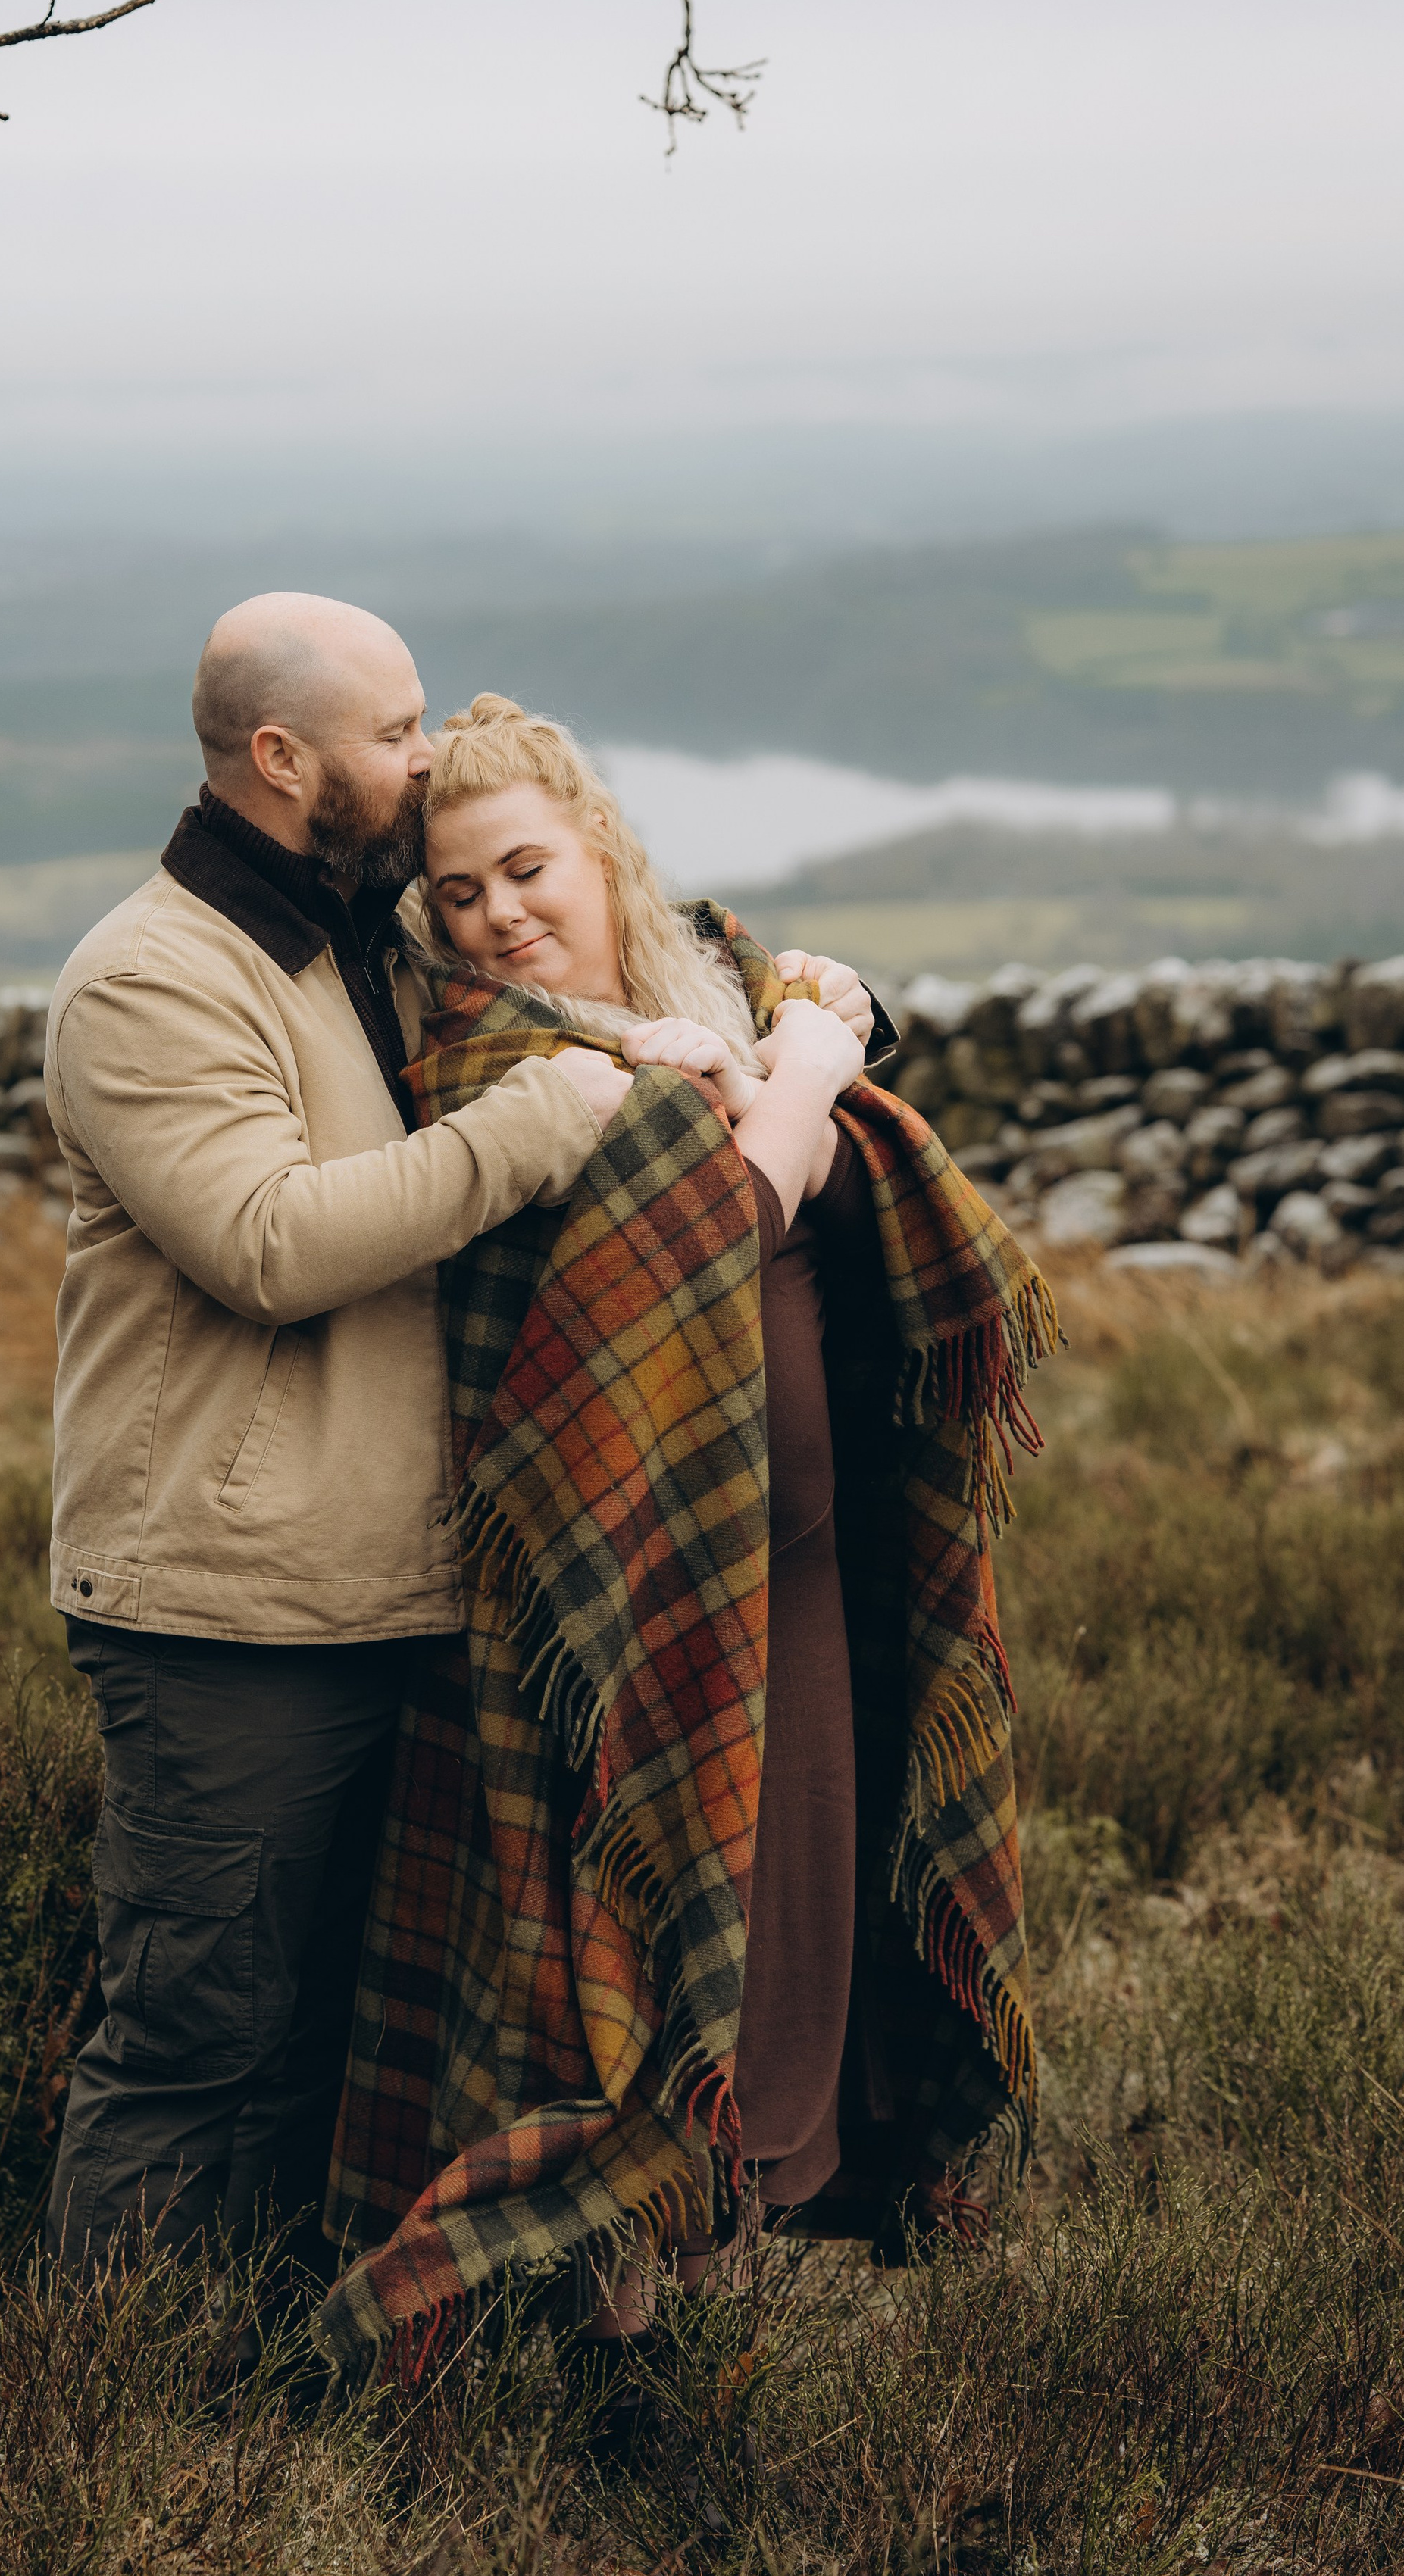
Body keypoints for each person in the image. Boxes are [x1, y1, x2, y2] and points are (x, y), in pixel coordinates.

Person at [316, 696, 1054, 2405]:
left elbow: (806, 1122)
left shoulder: (711, 989)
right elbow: (720, 1217)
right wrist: (803, 1075)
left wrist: (785, 1041)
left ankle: (691, 2325)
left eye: (525, 870)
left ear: (600, 852)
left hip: (785, 1582)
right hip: (615, 1613)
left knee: (789, 1935)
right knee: (627, 1967)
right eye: (458, 894)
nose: (498, 915)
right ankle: (597, 2345)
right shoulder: (497, 1060)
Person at [42, 603, 636, 2284]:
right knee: (192, 2051)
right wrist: (537, 1125)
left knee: (332, 2050)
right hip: (225, 1611)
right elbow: (267, 1243)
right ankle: (111, 2433)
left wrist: (818, 1004)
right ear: (280, 759)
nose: (427, 754)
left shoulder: (350, 941)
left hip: (388, 1595)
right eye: (394, 730)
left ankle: (273, 2423)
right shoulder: (150, 977)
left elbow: (597, 927)